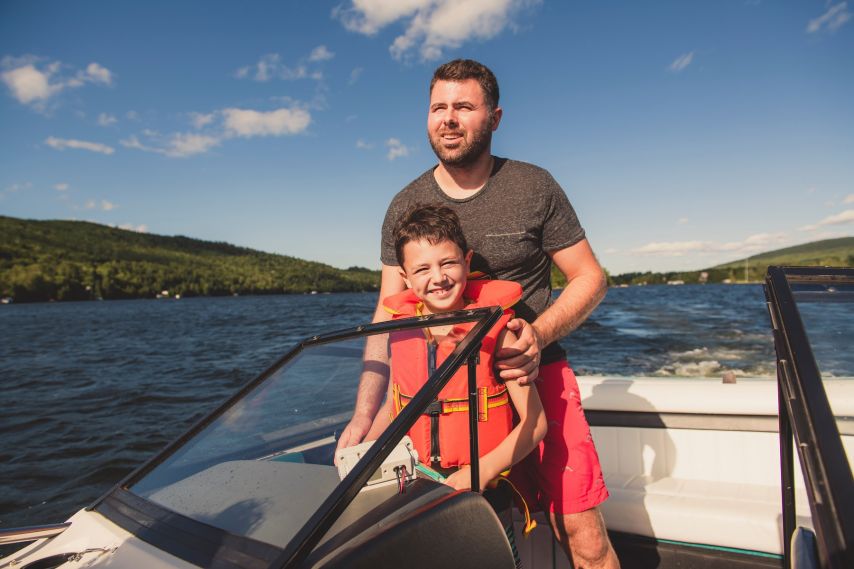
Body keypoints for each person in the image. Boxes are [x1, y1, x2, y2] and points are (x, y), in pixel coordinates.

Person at [339, 59, 619, 568]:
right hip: (444, 387)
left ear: (494, 117)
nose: (449, 118)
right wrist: (365, 414)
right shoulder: (404, 204)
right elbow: (387, 313)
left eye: (464, 107)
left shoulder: (534, 187)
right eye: (438, 108)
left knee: (582, 534)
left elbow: (590, 278)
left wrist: (535, 334)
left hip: (531, 368)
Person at [365, 203, 547, 494]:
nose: (438, 277)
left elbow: (536, 423)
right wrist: (367, 452)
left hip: (481, 487)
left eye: (448, 263)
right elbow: (393, 405)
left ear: (467, 261)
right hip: (416, 481)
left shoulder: (497, 332)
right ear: (405, 277)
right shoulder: (400, 332)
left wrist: (482, 471)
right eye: (422, 269)